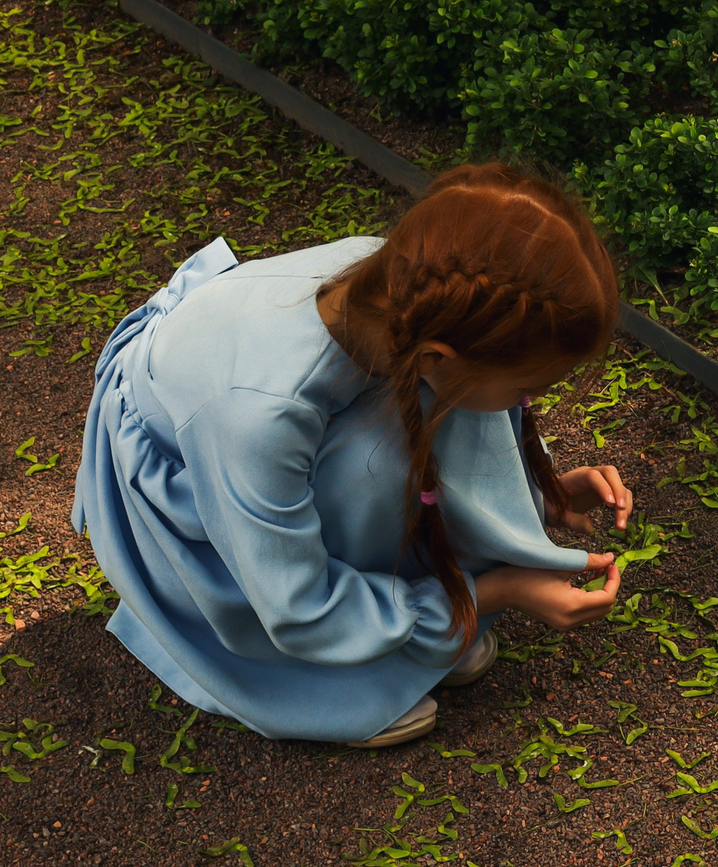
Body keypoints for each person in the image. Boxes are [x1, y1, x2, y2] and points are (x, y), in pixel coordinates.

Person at [72, 162, 633, 747]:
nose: (529, 401)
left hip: (266, 430)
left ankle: (409, 618)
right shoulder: (257, 419)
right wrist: (490, 594)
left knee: (438, 412)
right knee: (375, 462)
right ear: (438, 356)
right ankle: (356, 664)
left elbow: (460, 403)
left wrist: (539, 488)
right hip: (205, 471)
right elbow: (299, 607)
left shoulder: (416, 282)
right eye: (527, 388)